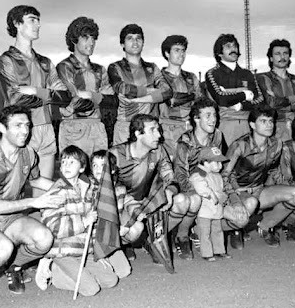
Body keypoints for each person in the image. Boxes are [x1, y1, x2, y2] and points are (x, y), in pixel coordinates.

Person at [0, 105, 64, 294]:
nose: (25, 131)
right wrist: (33, 202)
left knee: (45, 239)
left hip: (11, 218)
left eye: (27, 125)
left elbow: (36, 180)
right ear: (2, 128)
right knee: (1, 252)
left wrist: (66, 186)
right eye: (18, 125)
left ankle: (14, 267)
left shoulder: (29, 153)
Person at [37, 146, 130, 296]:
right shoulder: (57, 190)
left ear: (82, 168)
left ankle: (79, 271)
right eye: (64, 162)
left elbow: (94, 226)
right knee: (91, 289)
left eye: (72, 162)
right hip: (64, 250)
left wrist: (97, 252)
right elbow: (53, 226)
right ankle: (54, 270)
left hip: (84, 251)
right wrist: (83, 221)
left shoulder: (88, 189)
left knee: (110, 280)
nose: (66, 166)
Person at [0, 5, 70, 185]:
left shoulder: (45, 62)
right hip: (21, 128)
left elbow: (65, 96)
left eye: (38, 21)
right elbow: (16, 99)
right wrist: (50, 96)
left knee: (45, 188)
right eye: (32, 20)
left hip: (46, 129)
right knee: (16, 187)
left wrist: (37, 91)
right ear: (17, 24)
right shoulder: (7, 60)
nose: (37, 25)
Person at [222, 106, 295, 248]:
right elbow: (225, 176)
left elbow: (274, 171)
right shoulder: (240, 145)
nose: (269, 125)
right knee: (250, 203)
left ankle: (265, 226)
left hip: (259, 191)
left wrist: (293, 187)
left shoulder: (277, 144)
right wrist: (236, 197)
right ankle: (234, 229)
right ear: (253, 125)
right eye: (263, 121)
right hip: (238, 193)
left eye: (271, 121)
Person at [108, 114, 188, 261]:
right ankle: (123, 245)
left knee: (182, 201)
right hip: (123, 205)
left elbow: (171, 178)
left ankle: (151, 238)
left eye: (158, 130)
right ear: (138, 133)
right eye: (153, 130)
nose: (159, 135)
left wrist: (170, 191)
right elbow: (105, 191)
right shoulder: (115, 155)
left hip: (149, 202)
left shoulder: (158, 150)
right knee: (133, 230)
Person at [172, 98, 227, 257]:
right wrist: (200, 192)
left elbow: (218, 166)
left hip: (211, 185)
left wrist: (220, 192)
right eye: (208, 115)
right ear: (196, 118)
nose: (213, 119)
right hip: (191, 185)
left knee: (238, 216)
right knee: (196, 201)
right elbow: (180, 174)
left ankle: (201, 231)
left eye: (215, 115)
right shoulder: (185, 141)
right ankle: (182, 235)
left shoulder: (217, 135)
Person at [56, 16, 115, 155]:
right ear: (73, 40)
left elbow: (113, 101)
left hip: (98, 127)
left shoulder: (100, 70)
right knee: (75, 173)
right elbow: (72, 101)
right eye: (85, 38)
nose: (91, 42)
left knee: (100, 173)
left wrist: (89, 95)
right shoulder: (64, 67)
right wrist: (99, 97)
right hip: (74, 128)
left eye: (93, 38)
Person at [108, 24, 172, 146]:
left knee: (151, 164)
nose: (135, 41)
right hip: (125, 127)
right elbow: (123, 88)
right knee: (124, 164)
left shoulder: (152, 68)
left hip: (150, 127)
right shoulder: (115, 67)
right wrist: (153, 91)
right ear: (122, 44)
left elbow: (167, 92)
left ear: (143, 42)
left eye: (138, 38)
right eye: (130, 38)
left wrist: (137, 99)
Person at [205, 34, 263, 146]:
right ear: (219, 53)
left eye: (235, 46)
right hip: (224, 127)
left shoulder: (247, 74)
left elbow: (260, 100)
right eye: (228, 47)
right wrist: (245, 95)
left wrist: (240, 106)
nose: (233, 49)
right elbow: (221, 99)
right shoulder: (212, 74)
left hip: (248, 127)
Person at [256, 39, 295, 142]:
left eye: (285, 53)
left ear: (289, 57)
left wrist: (282, 103)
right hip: (273, 129)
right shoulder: (263, 78)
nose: (282, 57)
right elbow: (271, 103)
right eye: (277, 54)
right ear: (271, 58)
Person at [91, 150, 144, 256]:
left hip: (115, 223)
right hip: (96, 229)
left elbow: (129, 201)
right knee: (121, 271)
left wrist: (136, 210)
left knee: (137, 227)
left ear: (112, 170)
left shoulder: (119, 188)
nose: (97, 169)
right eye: (94, 165)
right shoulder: (88, 187)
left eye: (102, 165)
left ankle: (121, 245)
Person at [158, 35, 202, 157]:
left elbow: (200, 103)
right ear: (167, 53)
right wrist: (192, 95)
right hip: (168, 130)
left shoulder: (191, 77)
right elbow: (171, 100)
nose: (181, 54)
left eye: (183, 51)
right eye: (176, 50)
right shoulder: (160, 77)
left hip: (189, 128)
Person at [189, 147, 231, 261]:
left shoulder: (217, 175)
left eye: (221, 163)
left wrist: (223, 196)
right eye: (217, 162)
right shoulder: (199, 174)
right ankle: (207, 253)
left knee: (217, 230)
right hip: (205, 210)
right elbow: (200, 185)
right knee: (205, 232)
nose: (220, 166)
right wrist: (210, 193)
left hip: (216, 209)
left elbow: (222, 189)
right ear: (206, 162)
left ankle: (219, 250)